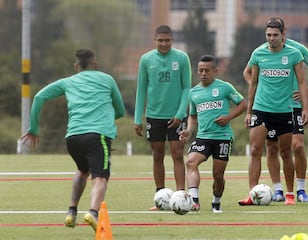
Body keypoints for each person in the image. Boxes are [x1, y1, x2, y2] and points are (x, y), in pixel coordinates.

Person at [20, 49, 126, 231]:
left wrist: (34, 128)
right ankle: (93, 213)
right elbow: (121, 111)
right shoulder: (107, 79)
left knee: (82, 170)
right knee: (100, 177)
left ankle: (71, 212)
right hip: (97, 136)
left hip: (73, 138)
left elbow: (39, 97)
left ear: (76, 66)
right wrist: (105, 118)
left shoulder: (68, 81)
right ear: (96, 64)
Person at [243, 17, 308, 203]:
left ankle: (300, 190)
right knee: (268, 148)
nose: (271, 38)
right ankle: (276, 190)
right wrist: (262, 89)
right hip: (265, 107)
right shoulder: (259, 53)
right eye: (268, 35)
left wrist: (306, 97)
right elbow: (249, 75)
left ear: (283, 33)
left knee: (294, 147)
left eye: (275, 34)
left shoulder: (297, 51)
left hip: (291, 106)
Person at [179, 55, 247, 213]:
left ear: (215, 71)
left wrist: (228, 117)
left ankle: (216, 202)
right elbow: (193, 115)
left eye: (207, 70)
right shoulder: (193, 92)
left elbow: (243, 104)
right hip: (203, 137)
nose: (203, 73)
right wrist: (189, 130)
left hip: (222, 138)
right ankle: (194, 200)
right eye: (200, 70)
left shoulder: (225, 87)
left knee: (218, 174)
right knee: (191, 162)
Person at [134, 25, 191, 210]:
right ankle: (160, 198)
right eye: (160, 40)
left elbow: (186, 88)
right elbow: (141, 89)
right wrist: (137, 118)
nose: (164, 43)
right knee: (157, 155)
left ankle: (182, 195)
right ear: (154, 40)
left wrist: (180, 114)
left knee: (177, 154)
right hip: (154, 115)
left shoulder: (182, 58)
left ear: (172, 40)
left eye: (167, 40)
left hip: (176, 115)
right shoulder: (146, 59)